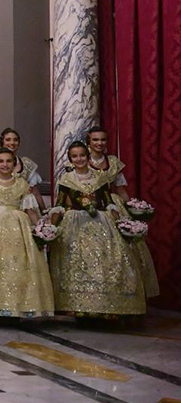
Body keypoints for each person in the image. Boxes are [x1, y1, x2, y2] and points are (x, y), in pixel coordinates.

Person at [50, 141, 145, 318]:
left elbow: (108, 202)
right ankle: (80, 306)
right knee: (78, 262)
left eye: (82, 155)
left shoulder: (100, 178)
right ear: (70, 159)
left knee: (106, 261)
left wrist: (122, 223)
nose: (79, 159)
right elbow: (60, 204)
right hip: (75, 224)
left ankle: (106, 305)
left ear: (87, 156)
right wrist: (51, 228)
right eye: (74, 156)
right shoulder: (66, 179)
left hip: (100, 222)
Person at [0, 149, 54, 318]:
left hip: (18, 230)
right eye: (1, 161)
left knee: (17, 265)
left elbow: (30, 211)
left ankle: (16, 306)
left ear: (14, 164)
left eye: (8, 161)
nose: (5, 165)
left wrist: (41, 230)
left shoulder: (22, 184)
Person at [87, 127, 159, 299]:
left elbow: (120, 189)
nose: (99, 143)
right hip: (90, 206)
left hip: (113, 205)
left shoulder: (113, 162)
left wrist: (132, 208)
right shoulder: (81, 159)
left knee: (122, 248)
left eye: (103, 139)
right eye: (95, 140)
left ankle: (120, 291)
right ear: (88, 141)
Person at [0, 128, 46, 211]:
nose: (12, 143)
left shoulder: (27, 164)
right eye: (8, 140)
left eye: (15, 140)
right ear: (2, 142)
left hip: (23, 209)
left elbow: (35, 192)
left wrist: (44, 211)